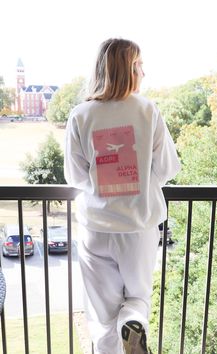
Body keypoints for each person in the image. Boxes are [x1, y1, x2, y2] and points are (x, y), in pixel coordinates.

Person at [64, 38, 181, 354]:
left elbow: (74, 176)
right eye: (139, 64)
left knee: (102, 316)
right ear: (128, 69)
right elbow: (168, 167)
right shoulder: (147, 111)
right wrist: (141, 177)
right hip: (138, 227)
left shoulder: (80, 115)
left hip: (96, 228)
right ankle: (134, 325)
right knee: (137, 298)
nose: (143, 71)